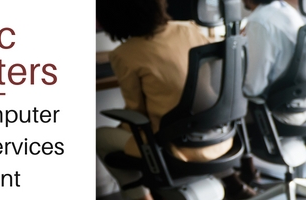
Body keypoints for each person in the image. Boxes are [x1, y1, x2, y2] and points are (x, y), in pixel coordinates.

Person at [96, 0, 247, 199]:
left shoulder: (124, 54)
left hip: (177, 150)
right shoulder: (190, 29)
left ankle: (140, 195)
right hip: (222, 138)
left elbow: (136, 113)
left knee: (101, 137)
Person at [241, 0, 306, 125]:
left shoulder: (259, 21)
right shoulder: (285, 9)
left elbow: (252, 89)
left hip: (281, 110)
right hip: (305, 102)